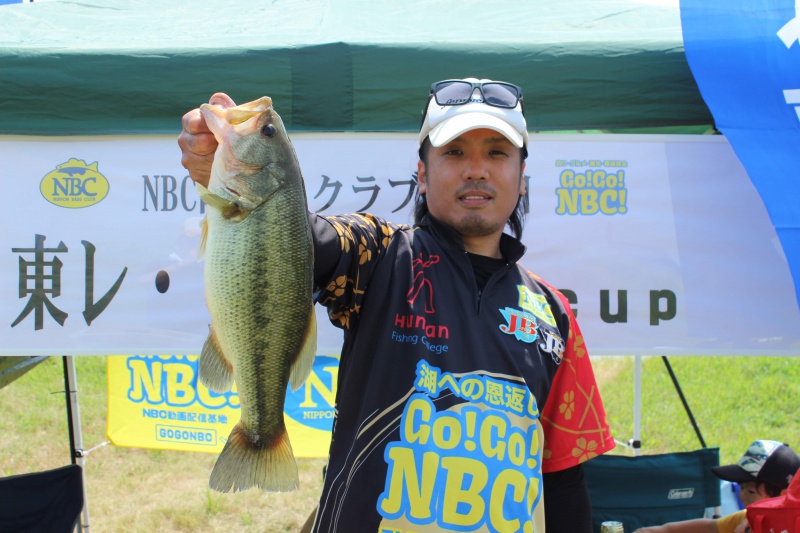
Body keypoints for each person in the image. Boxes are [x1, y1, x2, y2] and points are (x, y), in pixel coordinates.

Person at [178, 77, 615, 532]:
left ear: (522, 178)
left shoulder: (554, 314)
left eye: (497, 152)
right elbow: (303, 240)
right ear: (422, 175)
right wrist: (223, 165)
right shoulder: (382, 254)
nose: (476, 169)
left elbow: (563, 480)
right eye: (455, 152)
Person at [633, 440, 800, 533]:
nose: (742, 496)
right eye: (741, 487)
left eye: (750, 491)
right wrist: (661, 530)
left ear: (784, 496)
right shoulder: (747, 518)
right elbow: (709, 527)